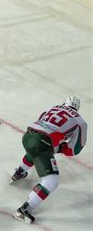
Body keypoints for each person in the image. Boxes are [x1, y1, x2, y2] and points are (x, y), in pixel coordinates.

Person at [11, 95, 88, 224]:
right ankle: (25, 209)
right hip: (42, 142)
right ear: (77, 108)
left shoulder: (55, 107)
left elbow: (41, 120)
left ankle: (20, 171)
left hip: (28, 135)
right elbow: (75, 149)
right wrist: (63, 148)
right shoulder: (80, 121)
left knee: (38, 151)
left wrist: (55, 145)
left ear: (64, 103)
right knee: (52, 180)